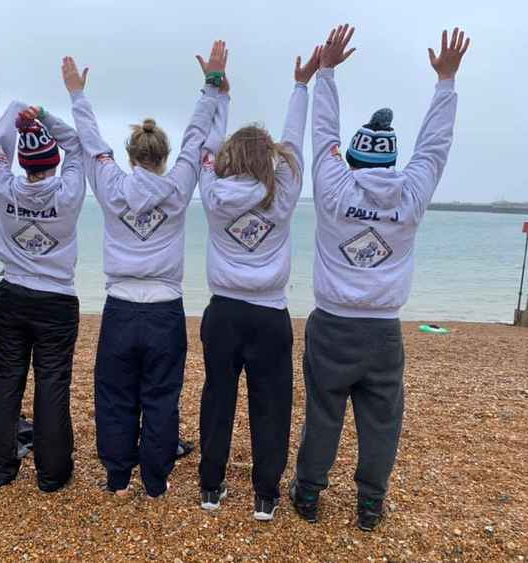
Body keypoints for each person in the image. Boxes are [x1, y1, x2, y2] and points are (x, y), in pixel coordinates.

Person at [290, 25, 469, 531]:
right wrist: (446, 83)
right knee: (381, 422)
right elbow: (434, 150)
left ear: (354, 159)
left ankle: (308, 493)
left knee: (323, 411)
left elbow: (323, 136)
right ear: (391, 160)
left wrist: (324, 74)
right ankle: (370, 503)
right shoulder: (410, 193)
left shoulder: (333, 187)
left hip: (332, 324)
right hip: (383, 329)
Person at [63, 41, 227, 499]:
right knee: (160, 396)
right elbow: (197, 141)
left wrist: (77, 93)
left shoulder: (113, 184)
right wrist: (212, 88)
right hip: (164, 310)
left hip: (120, 308)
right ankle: (154, 482)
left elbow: (91, 142)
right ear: (162, 154)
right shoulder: (177, 186)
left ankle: (118, 478)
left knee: (115, 396)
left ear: (132, 155)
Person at [197, 45, 322, 521]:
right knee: (271, 405)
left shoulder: (211, 193)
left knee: (218, 397)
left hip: (224, 312)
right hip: (270, 313)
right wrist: (301, 84)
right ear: (269, 158)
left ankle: (211, 487)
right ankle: (265, 496)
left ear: (231, 158)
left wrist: (217, 92)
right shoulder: (284, 189)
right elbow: (295, 140)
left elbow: (205, 148)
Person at [0, 99, 85, 492]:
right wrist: (42, 116)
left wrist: (15, 112)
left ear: (22, 163)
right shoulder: (70, 191)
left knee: (6, 381)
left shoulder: (2, 186)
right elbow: (75, 145)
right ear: (53, 160)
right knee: (52, 382)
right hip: (56, 299)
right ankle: (52, 473)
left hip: (12, 293)